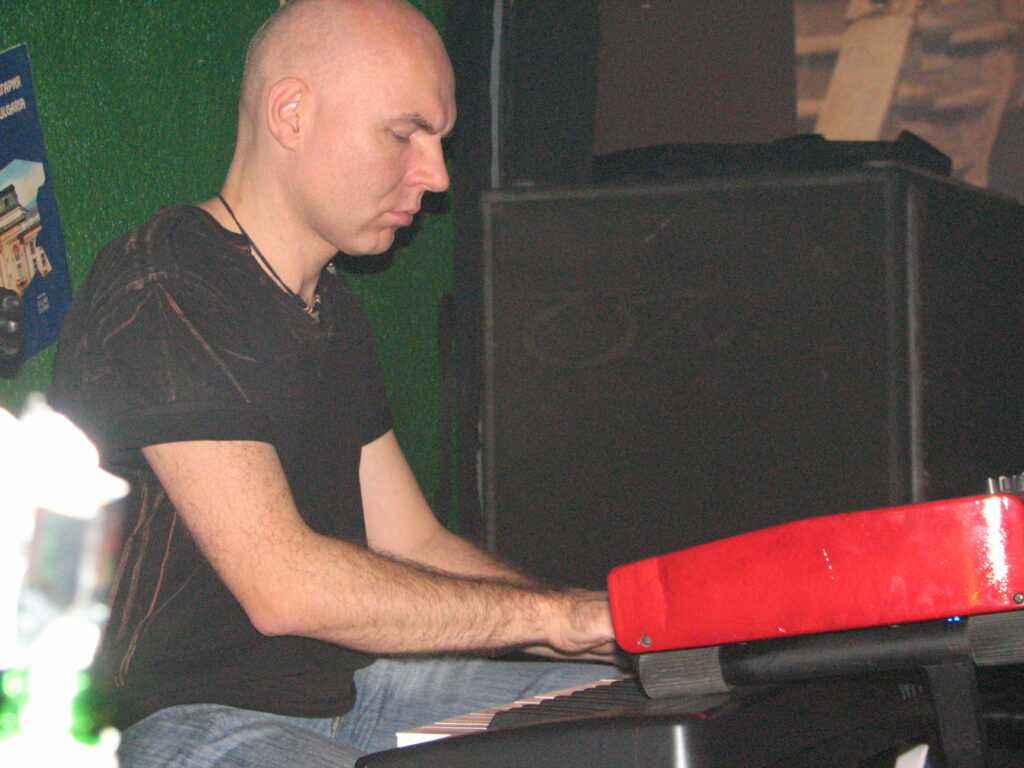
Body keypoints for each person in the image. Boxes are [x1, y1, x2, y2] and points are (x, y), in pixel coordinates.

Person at [48, 0, 620, 765]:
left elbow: (411, 539)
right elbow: (283, 587)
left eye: (440, 141)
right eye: (403, 134)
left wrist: (610, 634)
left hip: (351, 695)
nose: (436, 176)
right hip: (174, 724)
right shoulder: (167, 283)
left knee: (637, 708)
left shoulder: (331, 307)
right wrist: (556, 618)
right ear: (292, 113)